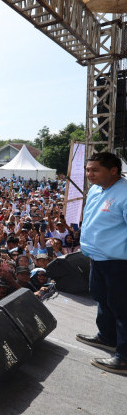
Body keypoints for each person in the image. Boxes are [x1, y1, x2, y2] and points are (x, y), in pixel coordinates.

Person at [76, 151, 127, 375]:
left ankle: (124, 358)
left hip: (119, 262)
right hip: (98, 258)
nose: (89, 174)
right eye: (88, 169)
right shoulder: (96, 190)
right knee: (102, 299)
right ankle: (107, 337)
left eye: (95, 170)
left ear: (113, 170)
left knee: (122, 309)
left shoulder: (125, 193)